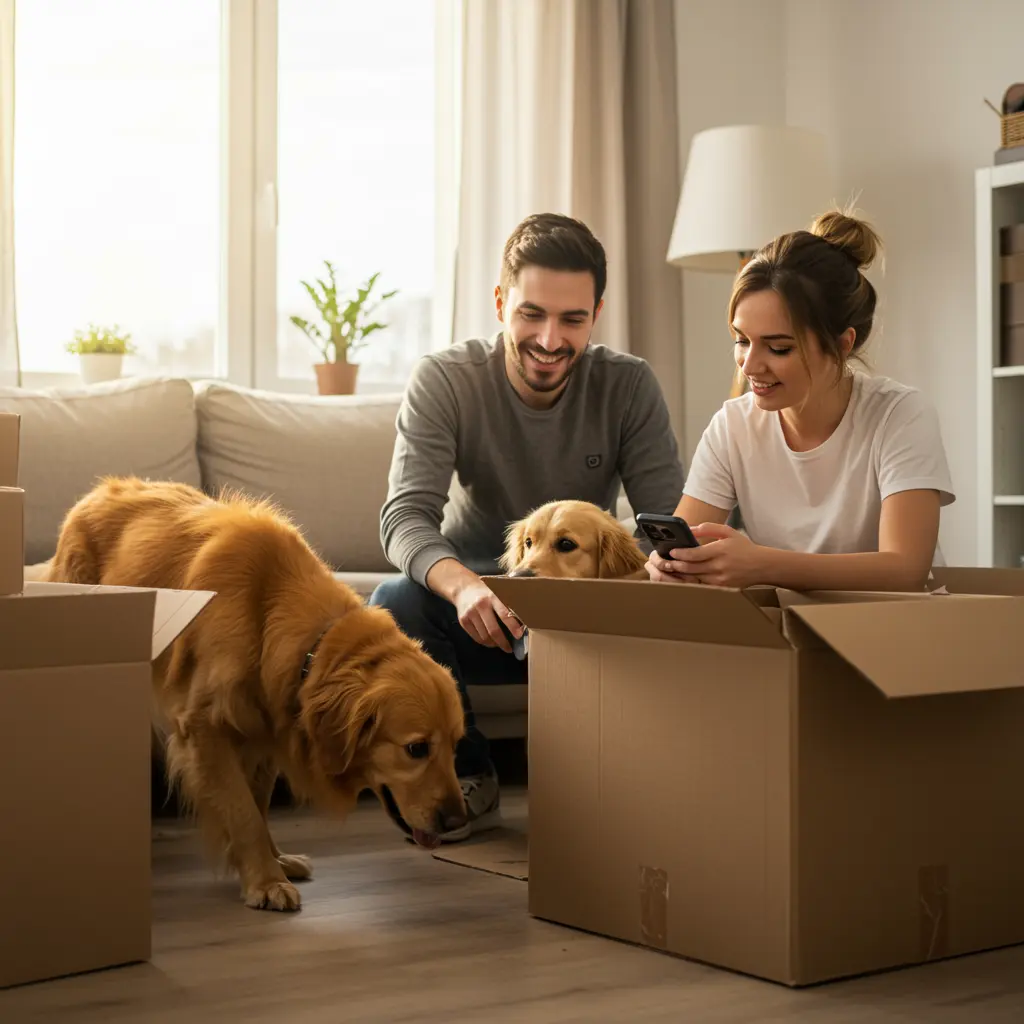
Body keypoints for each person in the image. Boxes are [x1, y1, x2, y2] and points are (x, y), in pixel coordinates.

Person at [370, 212, 685, 842]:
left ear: (596, 313)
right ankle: (470, 774)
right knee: (391, 602)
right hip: (475, 617)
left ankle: (640, 785)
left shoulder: (629, 384)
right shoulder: (446, 380)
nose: (549, 338)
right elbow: (404, 516)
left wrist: (610, 580)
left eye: (572, 319)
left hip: (584, 618)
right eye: (531, 314)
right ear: (499, 303)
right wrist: (466, 589)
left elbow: (666, 525)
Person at [646, 207, 955, 593]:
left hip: (898, 633)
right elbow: (687, 539)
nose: (750, 365)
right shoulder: (733, 426)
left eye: (778, 348)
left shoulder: (900, 415)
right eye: (742, 341)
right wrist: (669, 565)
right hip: (790, 629)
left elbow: (905, 568)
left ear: (842, 346)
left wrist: (762, 565)